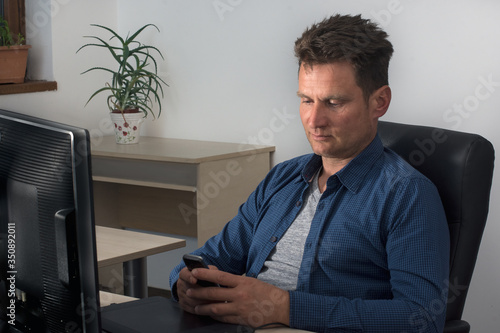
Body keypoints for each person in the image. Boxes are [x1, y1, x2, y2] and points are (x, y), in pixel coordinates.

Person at [169, 14, 450, 332]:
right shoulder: (283, 178)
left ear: (379, 102)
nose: (314, 120)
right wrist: (184, 283)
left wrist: (283, 307)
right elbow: (212, 256)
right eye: (306, 100)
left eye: (333, 102)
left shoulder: (407, 194)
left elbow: (422, 319)